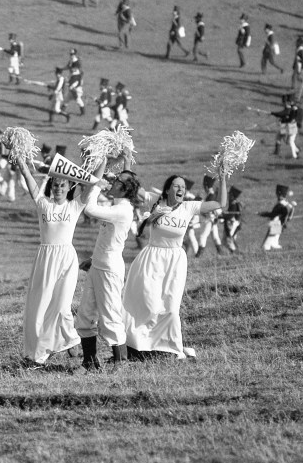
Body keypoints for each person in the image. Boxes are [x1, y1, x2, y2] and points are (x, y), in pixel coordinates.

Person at [124, 173, 227, 360]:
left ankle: (170, 347)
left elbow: (220, 203)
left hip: (175, 261)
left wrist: (222, 177)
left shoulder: (189, 207)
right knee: (148, 303)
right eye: (176, 186)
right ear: (168, 188)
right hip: (152, 257)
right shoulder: (156, 201)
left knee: (170, 308)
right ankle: (138, 346)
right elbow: (131, 185)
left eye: (183, 187)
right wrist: (127, 162)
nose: (180, 190)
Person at [16, 159, 85, 368]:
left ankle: (72, 343)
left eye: (63, 185)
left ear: (69, 187)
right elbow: (29, 179)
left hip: (67, 259)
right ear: (51, 186)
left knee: (63, 306)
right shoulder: (43, 203)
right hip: (45, 259)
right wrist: (20, 160)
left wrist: (102, 159)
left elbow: (91, 184)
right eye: (55, 185)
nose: (58, 188)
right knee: (40, 307)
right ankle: (38, 354)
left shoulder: (75, 206)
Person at [75, 156, 139, 374]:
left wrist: (95, 183)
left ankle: (121, 362)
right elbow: (108, 240)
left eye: (117, 182)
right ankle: (90, 363)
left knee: (110, 316)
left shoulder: (123, 210)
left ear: (125, 189)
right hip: (99, 266)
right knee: (85, 315)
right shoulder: (116, 206)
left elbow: (90, 210)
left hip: (109, 269)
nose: (112, 183)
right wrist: (93, 260)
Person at [259, 184, 294, 250]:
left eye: (278, 195)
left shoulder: (281, 205)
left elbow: (273, 214)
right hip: (280, 222)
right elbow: (290, 213)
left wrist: (262, 214)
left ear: (280, 195)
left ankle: (265, 252)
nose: (277, 196)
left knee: (268, 242)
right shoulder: (287, 204)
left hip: (276, 222)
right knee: (274, 241)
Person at [195, 175, 223, 256]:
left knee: (202, 236)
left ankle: (199, 254)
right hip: (211, 218)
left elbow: (211, 208)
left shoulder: (211, 196)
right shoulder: (211, 195)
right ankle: (220, 252)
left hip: (210, 219)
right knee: (215, 236)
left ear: (206, 185)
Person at [271, 94, 300, 159]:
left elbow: (288, 117)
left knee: (290, 141)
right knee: (288, 141)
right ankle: (296, 151)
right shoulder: (292, 108)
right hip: (289, 127)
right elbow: (285, 115)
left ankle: (294, 156)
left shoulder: (292, 108)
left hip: (290, 127)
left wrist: (280, 117)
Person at [222, 186, 243, 253]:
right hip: (231, 224)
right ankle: (235, 252)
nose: (228, 195)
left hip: (232, 224)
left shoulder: (234, 204)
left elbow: (231, 215)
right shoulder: (232, 203)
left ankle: (235, 253)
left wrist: (223, 215)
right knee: (226, 241)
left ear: (232, 196)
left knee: (229, 240)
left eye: (230, 194)